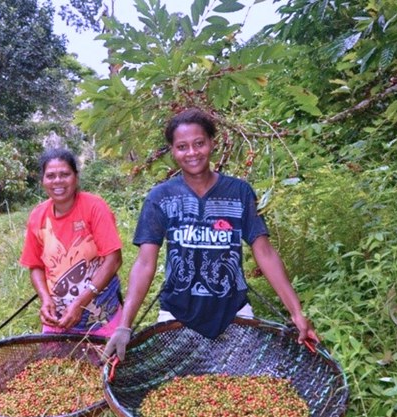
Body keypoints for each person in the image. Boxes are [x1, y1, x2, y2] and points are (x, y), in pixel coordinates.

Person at [103, 108, 319, 360]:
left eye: (199, 143)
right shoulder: (161, 197)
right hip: (176, 314)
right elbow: (144, 262)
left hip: (234, 312)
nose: (192, 153)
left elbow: (265, 252)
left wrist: (296, 312)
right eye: (182, 146)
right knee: (178, 390)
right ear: (173, 152)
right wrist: (124, 325)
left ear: (212, 144)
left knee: (240, 388)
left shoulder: (239, 192)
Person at [20, 148, 124, 336]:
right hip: (58, 320)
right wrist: (45, 300)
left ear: (75, 177)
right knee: (55, 365)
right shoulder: (37, 216)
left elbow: (114, 259)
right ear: (43, 181)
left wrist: (80, 302)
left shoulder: (94, 207)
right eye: (50, 176)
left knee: (105, 363)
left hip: (101, 315)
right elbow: (35, 266)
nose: (57, 181)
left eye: (65, 174)